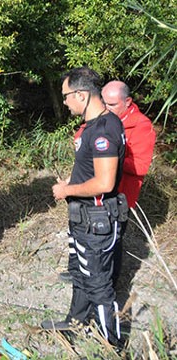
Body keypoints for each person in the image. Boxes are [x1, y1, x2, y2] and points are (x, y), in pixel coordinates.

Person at [42, 67, 127, 348]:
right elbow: (93, 171)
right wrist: (72, 181)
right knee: (81, 274)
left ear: (81, 94)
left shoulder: (104, 129)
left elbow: (104, 182)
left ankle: (111, 344)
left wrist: (66, 190)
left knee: (98, 284)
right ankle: (75, 321)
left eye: (67, 96)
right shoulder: (93, 126)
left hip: (97, 219)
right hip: (84, 217)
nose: (65, 102)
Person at [59, 80, 157, 285]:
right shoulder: (101, 120)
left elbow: (140, 165)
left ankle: (110, 282)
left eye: (112, 104)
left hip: (119, 194)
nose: (106, 106)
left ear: (128, 102)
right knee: (82, 233)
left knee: (112, 240)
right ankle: (78, 271)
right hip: (92, 192)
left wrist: (108, 161)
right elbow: (82, 141)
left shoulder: (140, 126)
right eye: (104, 101)